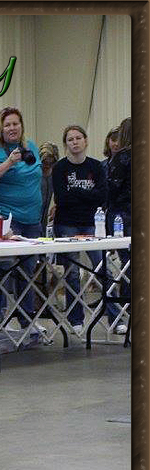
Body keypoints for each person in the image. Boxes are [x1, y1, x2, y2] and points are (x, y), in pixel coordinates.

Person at [0, 106, 45, 334]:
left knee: (27, 270)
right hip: (3, 220)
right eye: (7, 125)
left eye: (16, 123)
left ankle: (27, 320)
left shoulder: (31, 146)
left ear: (21, 126)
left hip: (31, 219)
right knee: (2, 269)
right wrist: (8, 164)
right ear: (1, 128)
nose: (12, 128)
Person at [51, 125, 107, 336]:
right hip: (66, 223)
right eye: (70, 139)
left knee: (101, 267)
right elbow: (62, 199)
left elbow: (102, 196)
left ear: (86, 141)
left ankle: (112, 313)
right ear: (66, 143)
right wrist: (86, 193)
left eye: (78, 138)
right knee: (72, 272)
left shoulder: (96, 166)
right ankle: (76, 319)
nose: (74, 142)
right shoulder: (59, 168)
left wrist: (75, 191)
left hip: (92, 222)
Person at [106, 117, 131, 335]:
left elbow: (111, 189)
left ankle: (128, 308)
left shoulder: (121, 158)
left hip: (121, 217)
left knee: (125, 265)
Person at [38, 142, 60, 230]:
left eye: (50, 163)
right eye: (44, 162)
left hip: (44, 220)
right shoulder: (34, 174)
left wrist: (56, 205)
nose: (47, 165)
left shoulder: (55, 174)